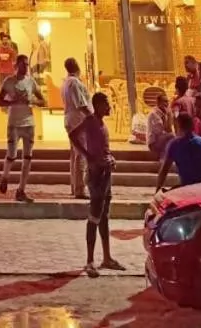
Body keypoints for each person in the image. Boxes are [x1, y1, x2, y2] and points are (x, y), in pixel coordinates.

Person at [74, 92, 125, 278]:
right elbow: (73, 135)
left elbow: (104, 148)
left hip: (105, 173)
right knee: (94, 216)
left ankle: (107, 257)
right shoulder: (90, 121)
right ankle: (89, 261)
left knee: (104, 216)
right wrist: (88, 156)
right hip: (96, 175)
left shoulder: (102, 124)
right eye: (106, 104)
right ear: (97, 105)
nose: (109, 107)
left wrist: (110, 158)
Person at [0, 54, 46, 202]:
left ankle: (21, 189)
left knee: (28, 157)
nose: (26, 67)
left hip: (29, 123)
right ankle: (5, 176)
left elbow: (43, 100)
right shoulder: (9, 81)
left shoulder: (31, 82)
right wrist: (13, 102)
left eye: (27, 64)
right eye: (23, 64)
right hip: (14, 123)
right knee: (12, 155)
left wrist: (32, 100)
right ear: (17, 65)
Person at [155, 112, 201, 190]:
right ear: (192, 126)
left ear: (177, 126)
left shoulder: (174, 145)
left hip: (188, 190)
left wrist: (157, 190)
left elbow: (164, 171)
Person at [61, 57, 92, 198]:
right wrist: (92, 117)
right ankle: (80, 188)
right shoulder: (74, 83)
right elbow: (81, 104)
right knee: (80, 155)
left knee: (74, 154)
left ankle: (75, 187)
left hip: (70, 119)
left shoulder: (66, 82)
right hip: (78, 120)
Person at [146, 92, 174, 160]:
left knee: (173, 137)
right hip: (153, 143)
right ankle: (164, 158)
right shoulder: (154, 114)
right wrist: (169, 116)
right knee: (171, 136)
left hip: (160, 139)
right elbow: (165, 130)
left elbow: (168, 129)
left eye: (167, 101)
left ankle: (165, 157)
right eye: (165, 101)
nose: (167, 104)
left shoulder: (164, 113)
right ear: (158, 103)